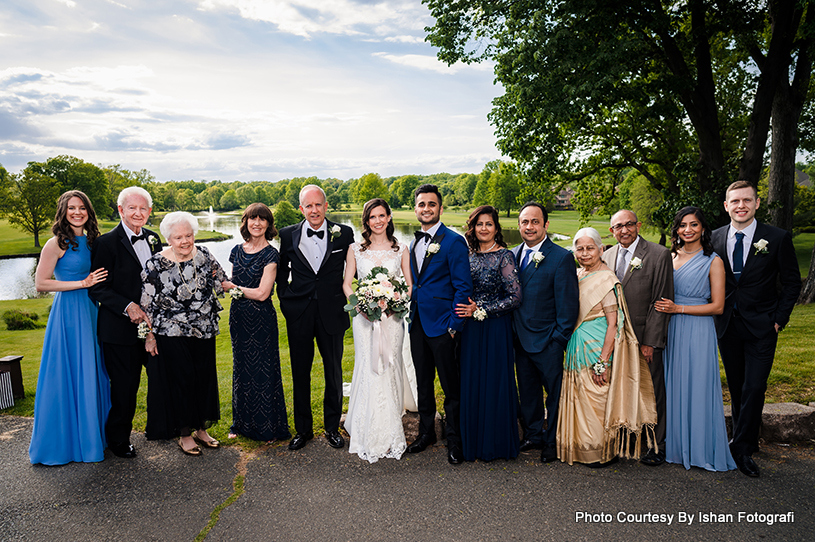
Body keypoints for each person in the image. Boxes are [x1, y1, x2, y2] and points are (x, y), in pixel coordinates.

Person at [711, 181, 801, 477]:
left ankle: (742, 448)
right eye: (735, 201)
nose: (741, 206)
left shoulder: (776, 238)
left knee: (755, 386)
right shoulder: (714, 238)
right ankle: (746, 438)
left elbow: (791, 283)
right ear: (726, 206)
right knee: (737, 387)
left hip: (763, 325)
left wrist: (779, 318)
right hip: (727, 325)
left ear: (757, 203)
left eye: (747, 200)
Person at [557, 228, 657, 466]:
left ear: (602, 249)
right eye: (579, 248)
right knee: (579, 399)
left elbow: (614, 325)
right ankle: (580, 448)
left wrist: (603, 361)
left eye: (590, 248)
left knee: (598, 396)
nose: (584, 253)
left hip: (598, 347)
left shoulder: (607, 279)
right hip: (576, 347)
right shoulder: (577, 274)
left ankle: (600, 452)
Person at [140, 212, 234, 455]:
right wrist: (149, 336)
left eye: (189, 235)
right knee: (182, 381)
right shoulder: (155, 264)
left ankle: (202, 429)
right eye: (178, 237)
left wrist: (249, 289)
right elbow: (146, 304)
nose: (185, 241)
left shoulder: (204, 255)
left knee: (204, 379)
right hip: (171, 332)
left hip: (204, 329)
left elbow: (222, 280)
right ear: (168, 239)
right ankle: (184, 433)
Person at [28, 191, 110, 465]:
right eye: (72, 208)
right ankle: (63, 444)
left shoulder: (93, 241)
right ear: (63, 211)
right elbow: (41, 283)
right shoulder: (55, 243)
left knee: (94, 370)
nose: (77, 212)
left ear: (89, 212)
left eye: (82, 208)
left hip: (91, 311)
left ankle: (94, 439)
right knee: (69, 372)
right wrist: (81, 284)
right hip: (68, 314)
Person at [654, 207, 735, 472]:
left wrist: (679, 308)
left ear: (703, 228)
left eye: (694, 225)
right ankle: (677, 448)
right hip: (673, 331)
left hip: (698, 329)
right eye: (682, 225)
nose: (687, 230)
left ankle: (702, 448)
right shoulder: (670, 256)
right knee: (674, 386)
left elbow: (718, 306)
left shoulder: (713, 260)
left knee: (698, 386)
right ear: (676, 229)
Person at [276, 184, 354, 451]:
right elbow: (280, 273)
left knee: (333, 372)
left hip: (332, 312)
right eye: (308, 205)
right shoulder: (287, 235)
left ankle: (331, 427)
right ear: (301, 209)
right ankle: (303, 429)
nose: (313, 210)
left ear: (326, 206)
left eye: (318, 204)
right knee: (301, 373)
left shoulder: (344, 234)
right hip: (299, 313)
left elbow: (354, 269)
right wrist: (287, 300)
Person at [90, 186, 162, 458]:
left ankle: (165, 429)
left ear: (149, 211)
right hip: (119, 331)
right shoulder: (105, 244)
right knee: (124, 387)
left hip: (152, 329)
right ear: (121, 210)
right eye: (132, 208)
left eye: (143, 208)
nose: (138, 213)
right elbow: (97, 289)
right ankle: (119, 439)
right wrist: (127, 306)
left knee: (162, 379)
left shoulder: (155, 239)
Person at [342, 198, 413, 463]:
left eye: (382, 215)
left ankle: (390, 426)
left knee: (389, 366)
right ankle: (365, 429)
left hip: (393, 319)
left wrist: (396, 304)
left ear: (389, 217)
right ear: (366, 220)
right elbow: (348, 283)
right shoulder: (355, 249)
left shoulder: (401, 249)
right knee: (369, 366)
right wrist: (361, 305)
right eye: (373, 217)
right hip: (364, 319)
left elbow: (408, 284)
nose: (378, 221)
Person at [601, 209, 673, 466]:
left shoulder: (658, 254)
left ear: (638, 225)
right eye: (618, 226)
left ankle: (656, 445)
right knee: (620, 389)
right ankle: (626, 440)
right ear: (612, 230)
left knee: (652, 391)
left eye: (629, 224)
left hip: (644, 336)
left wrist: (651, 342)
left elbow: (660, 301)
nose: (624, 230)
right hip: (613, 336)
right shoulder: (606, 255)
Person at [407, 184, 473, 465]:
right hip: (418, 325)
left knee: (451, 386)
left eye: (431, 204)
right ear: (416, 209)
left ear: (440, 208)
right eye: (421, 204)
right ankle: (426, 433)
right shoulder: (413, 243)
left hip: (443, 327)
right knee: (423, 383)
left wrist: (454, 326)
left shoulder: (454, 241)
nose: (426, 209)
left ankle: (454, 440)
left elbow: (463, 286)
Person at [512, 201, 579, 463]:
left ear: (546, 225)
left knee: (554, 394)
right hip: (519, 339)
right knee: (527, 392)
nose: (529, 227)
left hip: (548, 341)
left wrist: (558, 340)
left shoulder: (561, 257)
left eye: (535, 221)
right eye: (525, 222)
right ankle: (533, 435)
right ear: (519, 225)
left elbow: (568, 304)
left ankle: (552, 441)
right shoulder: (512, 254)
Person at [454, 205, 522, 462]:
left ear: (496, 228)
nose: (484, 228)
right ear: (473, 228)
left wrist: (481, 309)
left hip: (495, 328)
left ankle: (496, 444)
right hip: (470, 329)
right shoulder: (467, 255)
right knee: (471, 381)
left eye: (489, 224)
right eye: (479, 224)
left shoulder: (504, 256)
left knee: (495, 381)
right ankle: (472, 442)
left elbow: (515, 297)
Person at [228, 203, 290, 442]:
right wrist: (231, 287)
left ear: (268, 224)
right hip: (238, 318)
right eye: (252, 219)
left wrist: (234, 288)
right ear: (246, 222)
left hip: (261, 320)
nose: (257, 223)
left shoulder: (271, 254)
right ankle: (240, 424)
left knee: (263, 371)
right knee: (241, 369)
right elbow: (234, 281)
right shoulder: (236, 250)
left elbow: (263, 293)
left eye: (262, 219)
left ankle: (267, 428)